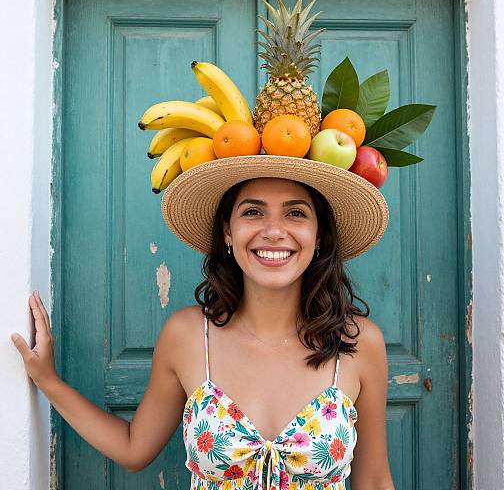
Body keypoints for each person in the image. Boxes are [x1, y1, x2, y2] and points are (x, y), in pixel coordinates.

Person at [11, 154, 395, 489]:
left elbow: (374, 481)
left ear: (319, 235)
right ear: (228, 231)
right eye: (252, 212)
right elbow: (133, 448)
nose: (274, 231)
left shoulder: (360, 343)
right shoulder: (188, 336)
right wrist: (47, 380)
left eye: (296, 212)